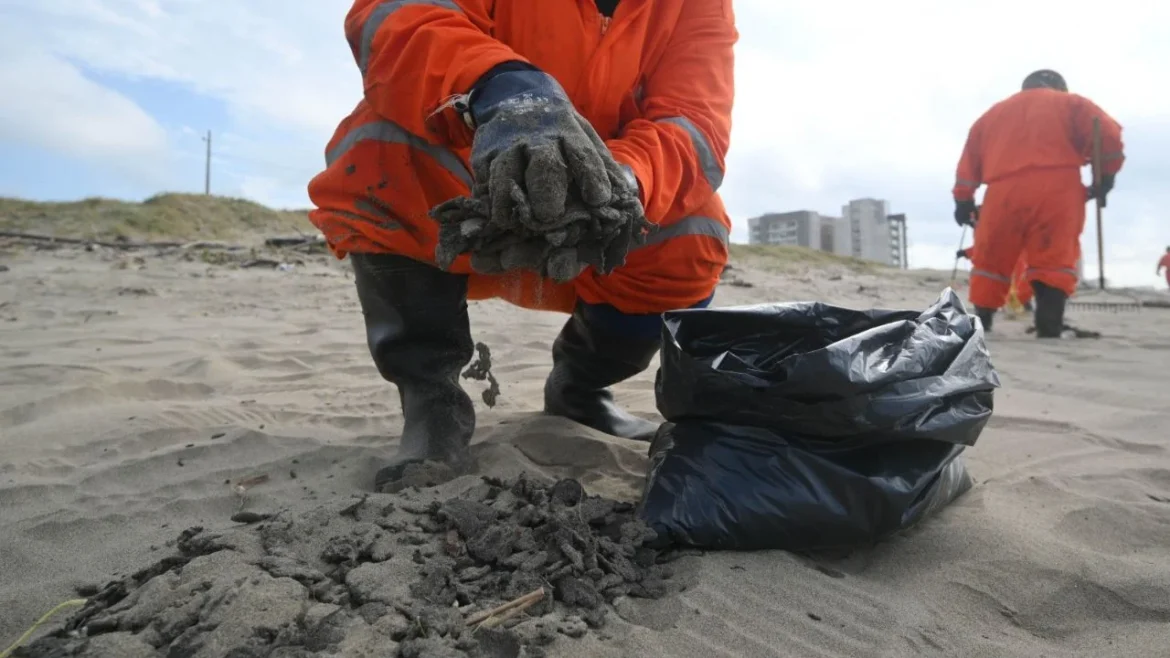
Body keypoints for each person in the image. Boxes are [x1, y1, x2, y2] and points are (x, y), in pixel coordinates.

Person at [306, 0, 737, 491]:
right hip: (474, 155)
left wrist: (620, 180)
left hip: (601, 187)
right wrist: (504, 87)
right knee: (381, 152)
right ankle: (432, 401)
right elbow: (401, 16)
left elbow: (694, 122)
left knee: (692, 231)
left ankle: (581, 389)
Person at [952, 69, 1125, 337]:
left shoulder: (992, 115)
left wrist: (963, 200)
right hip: (1057, 188)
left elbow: (969, 159)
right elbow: (1108, 134)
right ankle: (1049, 325)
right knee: (1053, 259)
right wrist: (1105, 179)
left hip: (1002, 191)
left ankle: (982, 323)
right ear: (1059, 87)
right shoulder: (1072, 104)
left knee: (991, 259)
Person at [958, 247, 1033, 311]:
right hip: (1014, 269)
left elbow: (985, 244)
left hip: (1014, 268)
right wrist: (966, 252)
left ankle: (1021, 304)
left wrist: (966, 252)